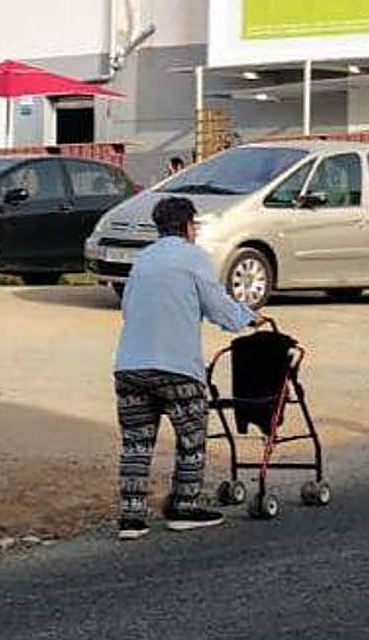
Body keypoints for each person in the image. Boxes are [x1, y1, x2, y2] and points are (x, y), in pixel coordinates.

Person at [113, 196, 263, 541]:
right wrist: (248, 317)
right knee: (192, 436)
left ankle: (131, 518)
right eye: (194, 225)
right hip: (177, 367)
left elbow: (128, 308)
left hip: (130, 365)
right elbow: (218, 307)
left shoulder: (143, 259)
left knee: (136, 443)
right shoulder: (194, 258)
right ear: (187, 226)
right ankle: (184, 506)